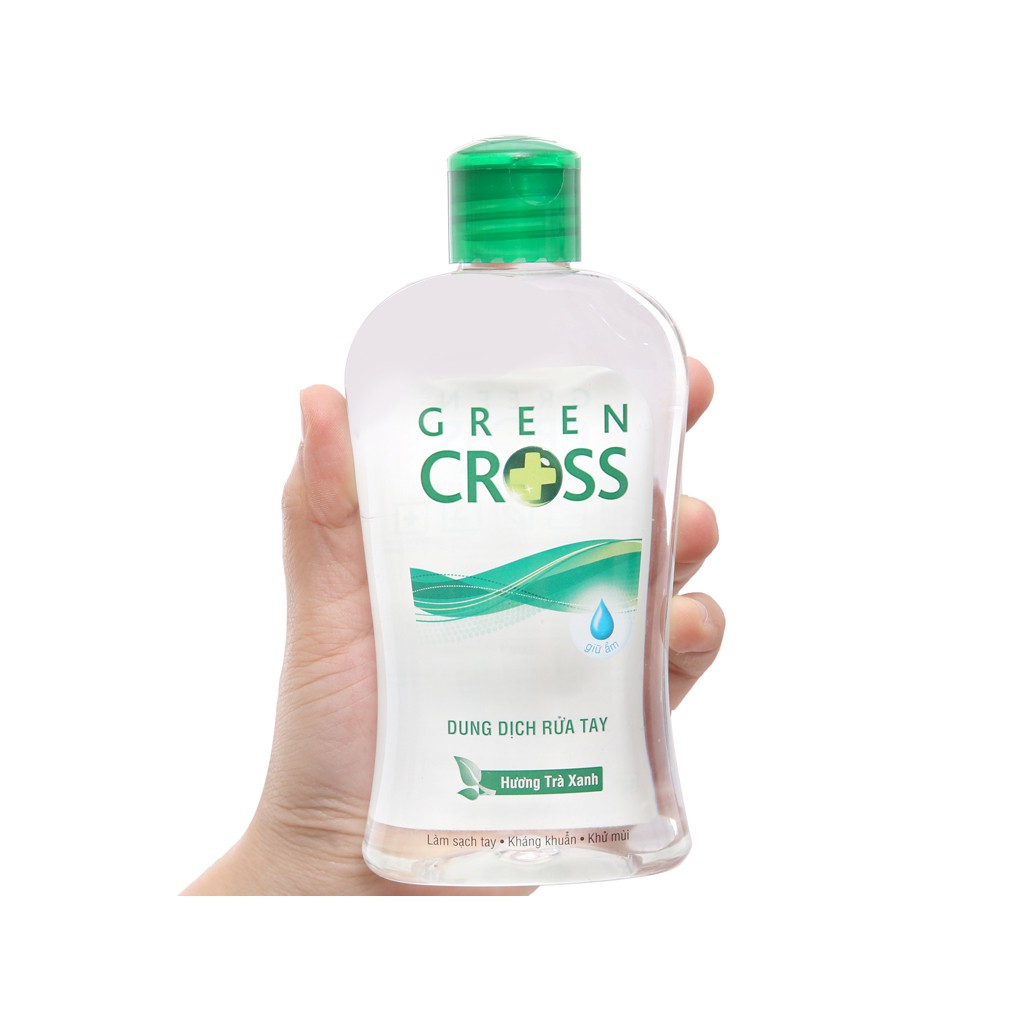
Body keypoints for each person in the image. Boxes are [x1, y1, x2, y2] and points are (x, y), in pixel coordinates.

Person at [183, 359, 725, 895]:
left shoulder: (629, 350)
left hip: (592, 774)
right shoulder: (398, 357)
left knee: (665, 591)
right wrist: (314, 852)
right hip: (409, 837)